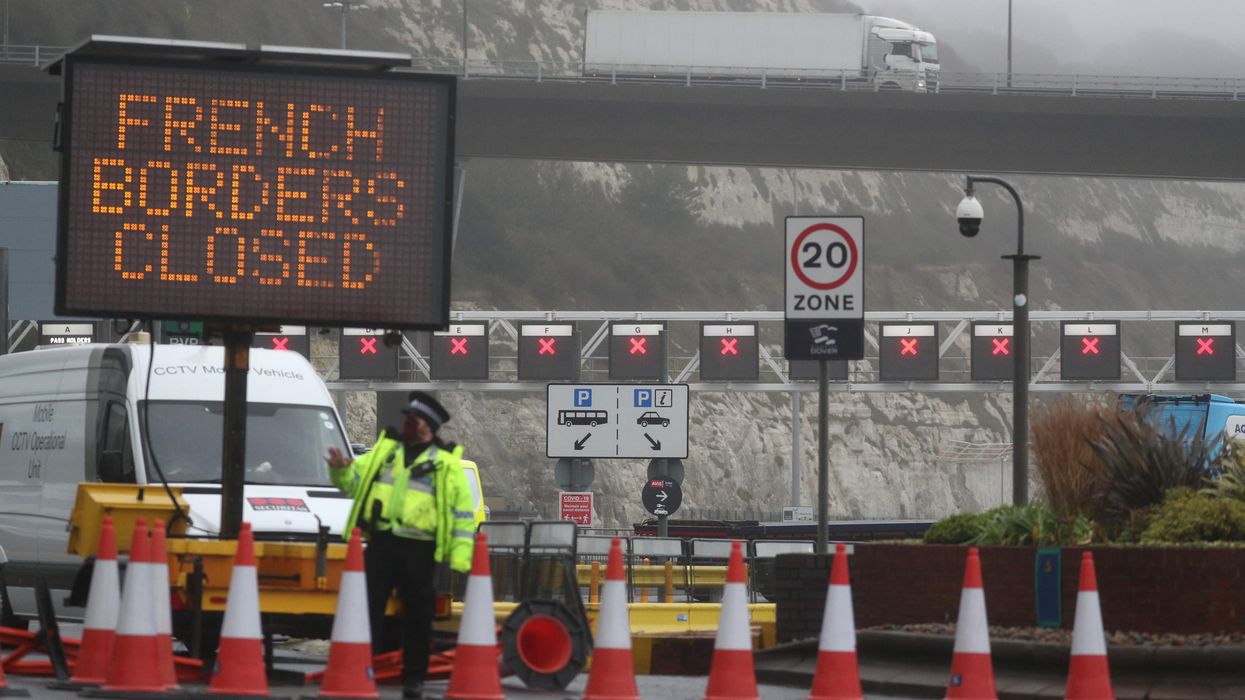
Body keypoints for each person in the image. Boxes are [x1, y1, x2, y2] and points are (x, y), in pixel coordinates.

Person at [325, 391, 476, 699]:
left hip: (420, 550)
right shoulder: (385, 452)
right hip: (381, 543)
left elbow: (462, 516)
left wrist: (461, 559)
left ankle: (413, 679)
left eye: (414, 420)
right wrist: (340, 468)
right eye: (407, 418)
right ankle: (364, 669)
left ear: (428, 427)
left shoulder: (445, 465)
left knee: (418, 617)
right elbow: (352, 483)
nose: (407, 423)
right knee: (366, 610)